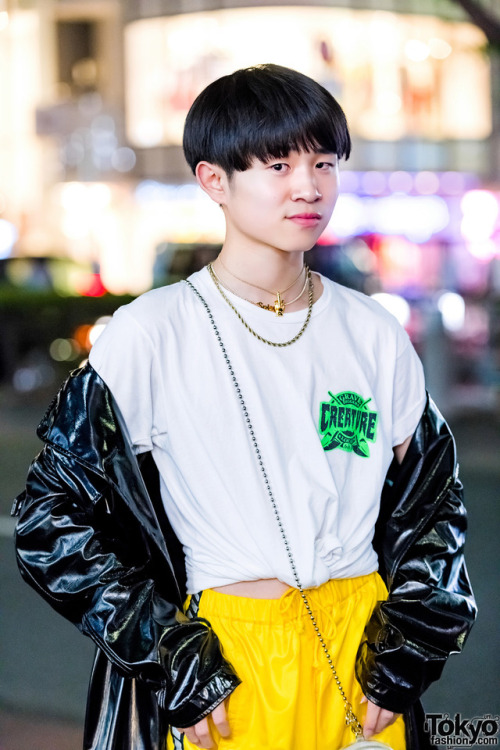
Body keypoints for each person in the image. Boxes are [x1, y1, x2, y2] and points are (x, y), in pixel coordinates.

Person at [12, 64, 476, 750]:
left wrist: (410, 642)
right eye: (279, 163)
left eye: (323, 162)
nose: (308, 186)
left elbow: (436, 505)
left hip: (361, 652)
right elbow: (48, 520)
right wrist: (170, 653)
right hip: (230, 663)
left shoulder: (371, 332)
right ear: (214, 181)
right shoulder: (150, 333)